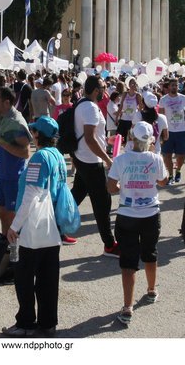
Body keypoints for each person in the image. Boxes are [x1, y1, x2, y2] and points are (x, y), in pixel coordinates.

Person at [2, 116, 67, 338]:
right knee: (48, 278)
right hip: (52, 226)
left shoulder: (39, 157)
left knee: (25, 278)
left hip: (32, 227)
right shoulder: (58, 156)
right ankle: (48, 323)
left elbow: (31, 193)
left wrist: (14, 226)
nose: (32, 134)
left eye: (34, 131)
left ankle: (26, 323)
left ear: (38, 135)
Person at [107, 121, 168, 326]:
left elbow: (111, 188)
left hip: (127, 214)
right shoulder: (155, 158)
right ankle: (151, 291)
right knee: (150, 253)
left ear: (131, 137)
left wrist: (125, 184)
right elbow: (163, 181)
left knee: (128, 261)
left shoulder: (121, 159)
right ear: (151, 140)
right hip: (150, 213)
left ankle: (127, 307)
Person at [72, 76, 119, 257]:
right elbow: (90, 139)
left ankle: (55, 226)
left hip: (83, 159)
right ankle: (110, 245)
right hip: (92, 162)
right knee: (102, 204)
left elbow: (91, 136)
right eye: (103, 87)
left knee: (76, 195)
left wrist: (107, 140)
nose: (105, 90)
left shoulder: (82, 104)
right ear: (96, 90)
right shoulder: (90, 108)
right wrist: (107, 159)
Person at [0, 86, 31, 235]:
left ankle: (15, 252)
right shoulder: (3, 117)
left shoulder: (16, 122)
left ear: (6, 103)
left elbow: (25, 153)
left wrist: (0, 142)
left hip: (13, 178)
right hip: (2, 176)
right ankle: (5, 248)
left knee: (13, 220)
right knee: (3, 215)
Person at [158, 77, 185, 183]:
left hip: (181, 131)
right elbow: (161, 116)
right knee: (167, 155)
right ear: (168, 87)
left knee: (181, 155)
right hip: (168, 131)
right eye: (172, 85)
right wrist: (161, 132)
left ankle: (178, 170)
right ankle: (170, 175)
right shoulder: (163, 99)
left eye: (176, 85)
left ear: (178, 87)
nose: (174, 87)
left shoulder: (183, 98)